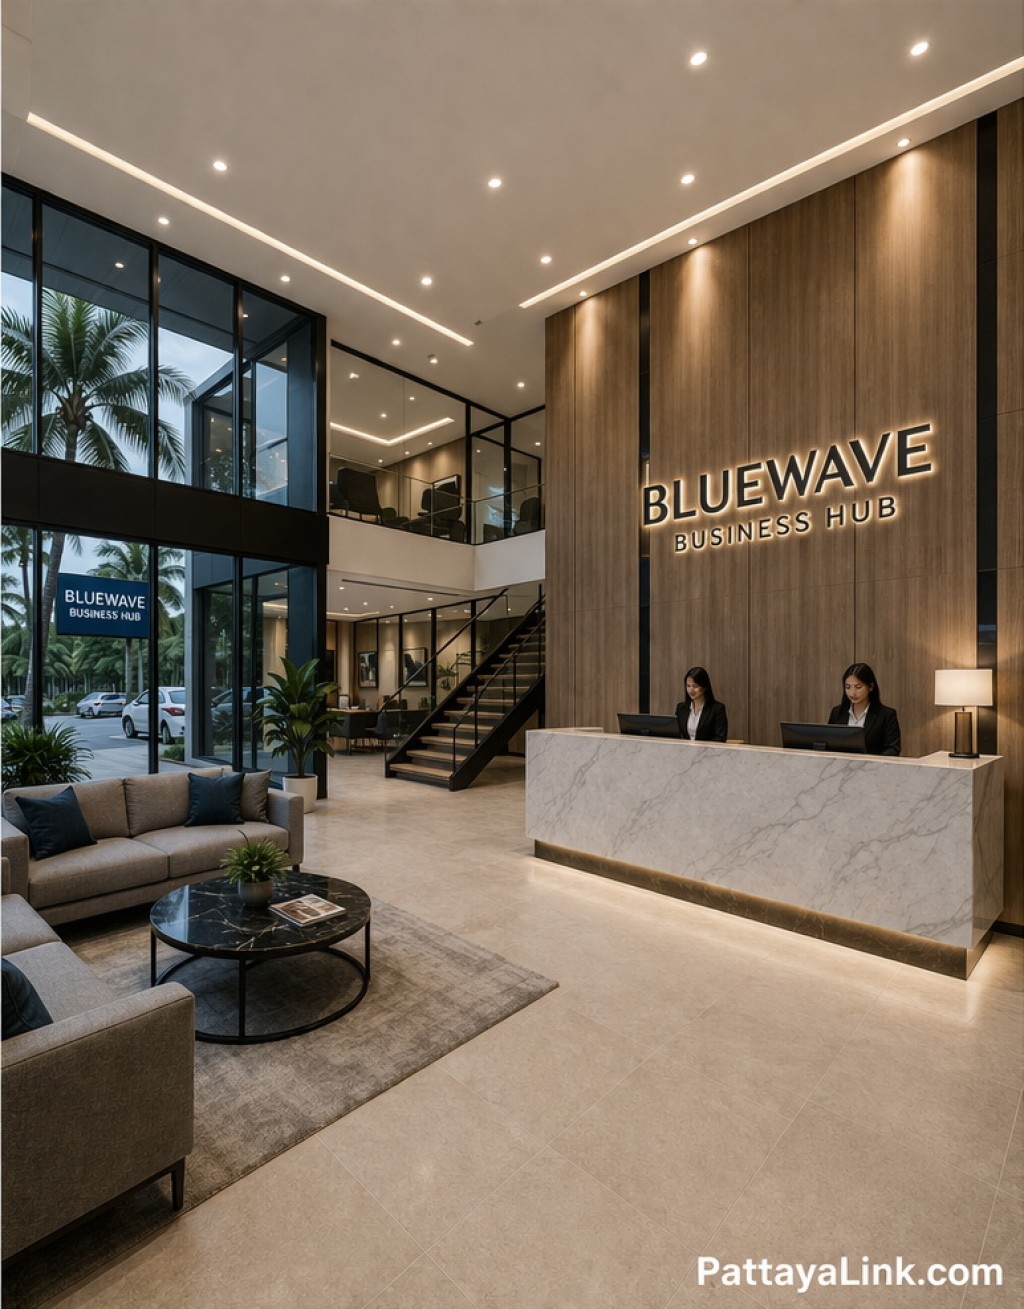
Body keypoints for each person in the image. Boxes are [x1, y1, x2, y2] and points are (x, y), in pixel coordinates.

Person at [828, 662, 901, 756]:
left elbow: (893, 749)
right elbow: (828, 743)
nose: (852, 693)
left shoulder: (886, 715)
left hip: (872, 765)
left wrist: (870, 762)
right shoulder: (837, 713)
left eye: (858, 687)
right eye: (848, 687)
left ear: (871, 687)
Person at [675, 666, 728, 742]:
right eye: (688, 686)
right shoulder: (681, 708)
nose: (691, 690)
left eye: (695, 686)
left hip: (707, 749)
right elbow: (678, 735)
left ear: (704, 687)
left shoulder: (717, 709)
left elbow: (720, 738)